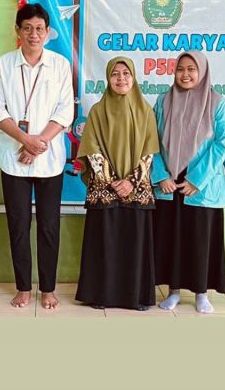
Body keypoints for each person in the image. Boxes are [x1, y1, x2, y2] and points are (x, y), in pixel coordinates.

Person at [0, 3, 74, 309]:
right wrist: (26, 140)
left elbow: (65, 110)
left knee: (49, 226)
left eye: (39, 29)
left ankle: (48, 289)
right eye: (27, 28)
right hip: (14, 159)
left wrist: (39, 143)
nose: (33, 34)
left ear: (47, 32)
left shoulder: (60, 65)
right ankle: (23, 287)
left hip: (49, 159)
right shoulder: (2, 65)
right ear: (18, 31)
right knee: (19, 225)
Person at [151, 52, 225, 314]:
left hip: (201, 185)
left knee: (200, 239)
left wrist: (197, 180)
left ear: (202, 71)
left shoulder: (216, 102)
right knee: (172, 239)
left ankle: (201, 293)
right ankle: (173, 291)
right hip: (170, 183)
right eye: (180, 69)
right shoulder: (163, 100)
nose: (185, 74)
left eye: (191, 69)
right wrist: (161, 175)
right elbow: (151, 140)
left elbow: (223, 143)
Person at [74, 57, 160, 311]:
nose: (121, 78)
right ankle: (101, 295)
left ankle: (136, 297)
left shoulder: (145, 111)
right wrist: (112, 182)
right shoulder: (98, 111)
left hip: (137, 188)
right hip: (105, 188)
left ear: (134, 77)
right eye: (115, 74)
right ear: (108, 78)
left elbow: (149, 151)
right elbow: (91, 149)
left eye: (126, 73)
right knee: (105, 243)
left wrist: (131, 181)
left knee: (134, 243)